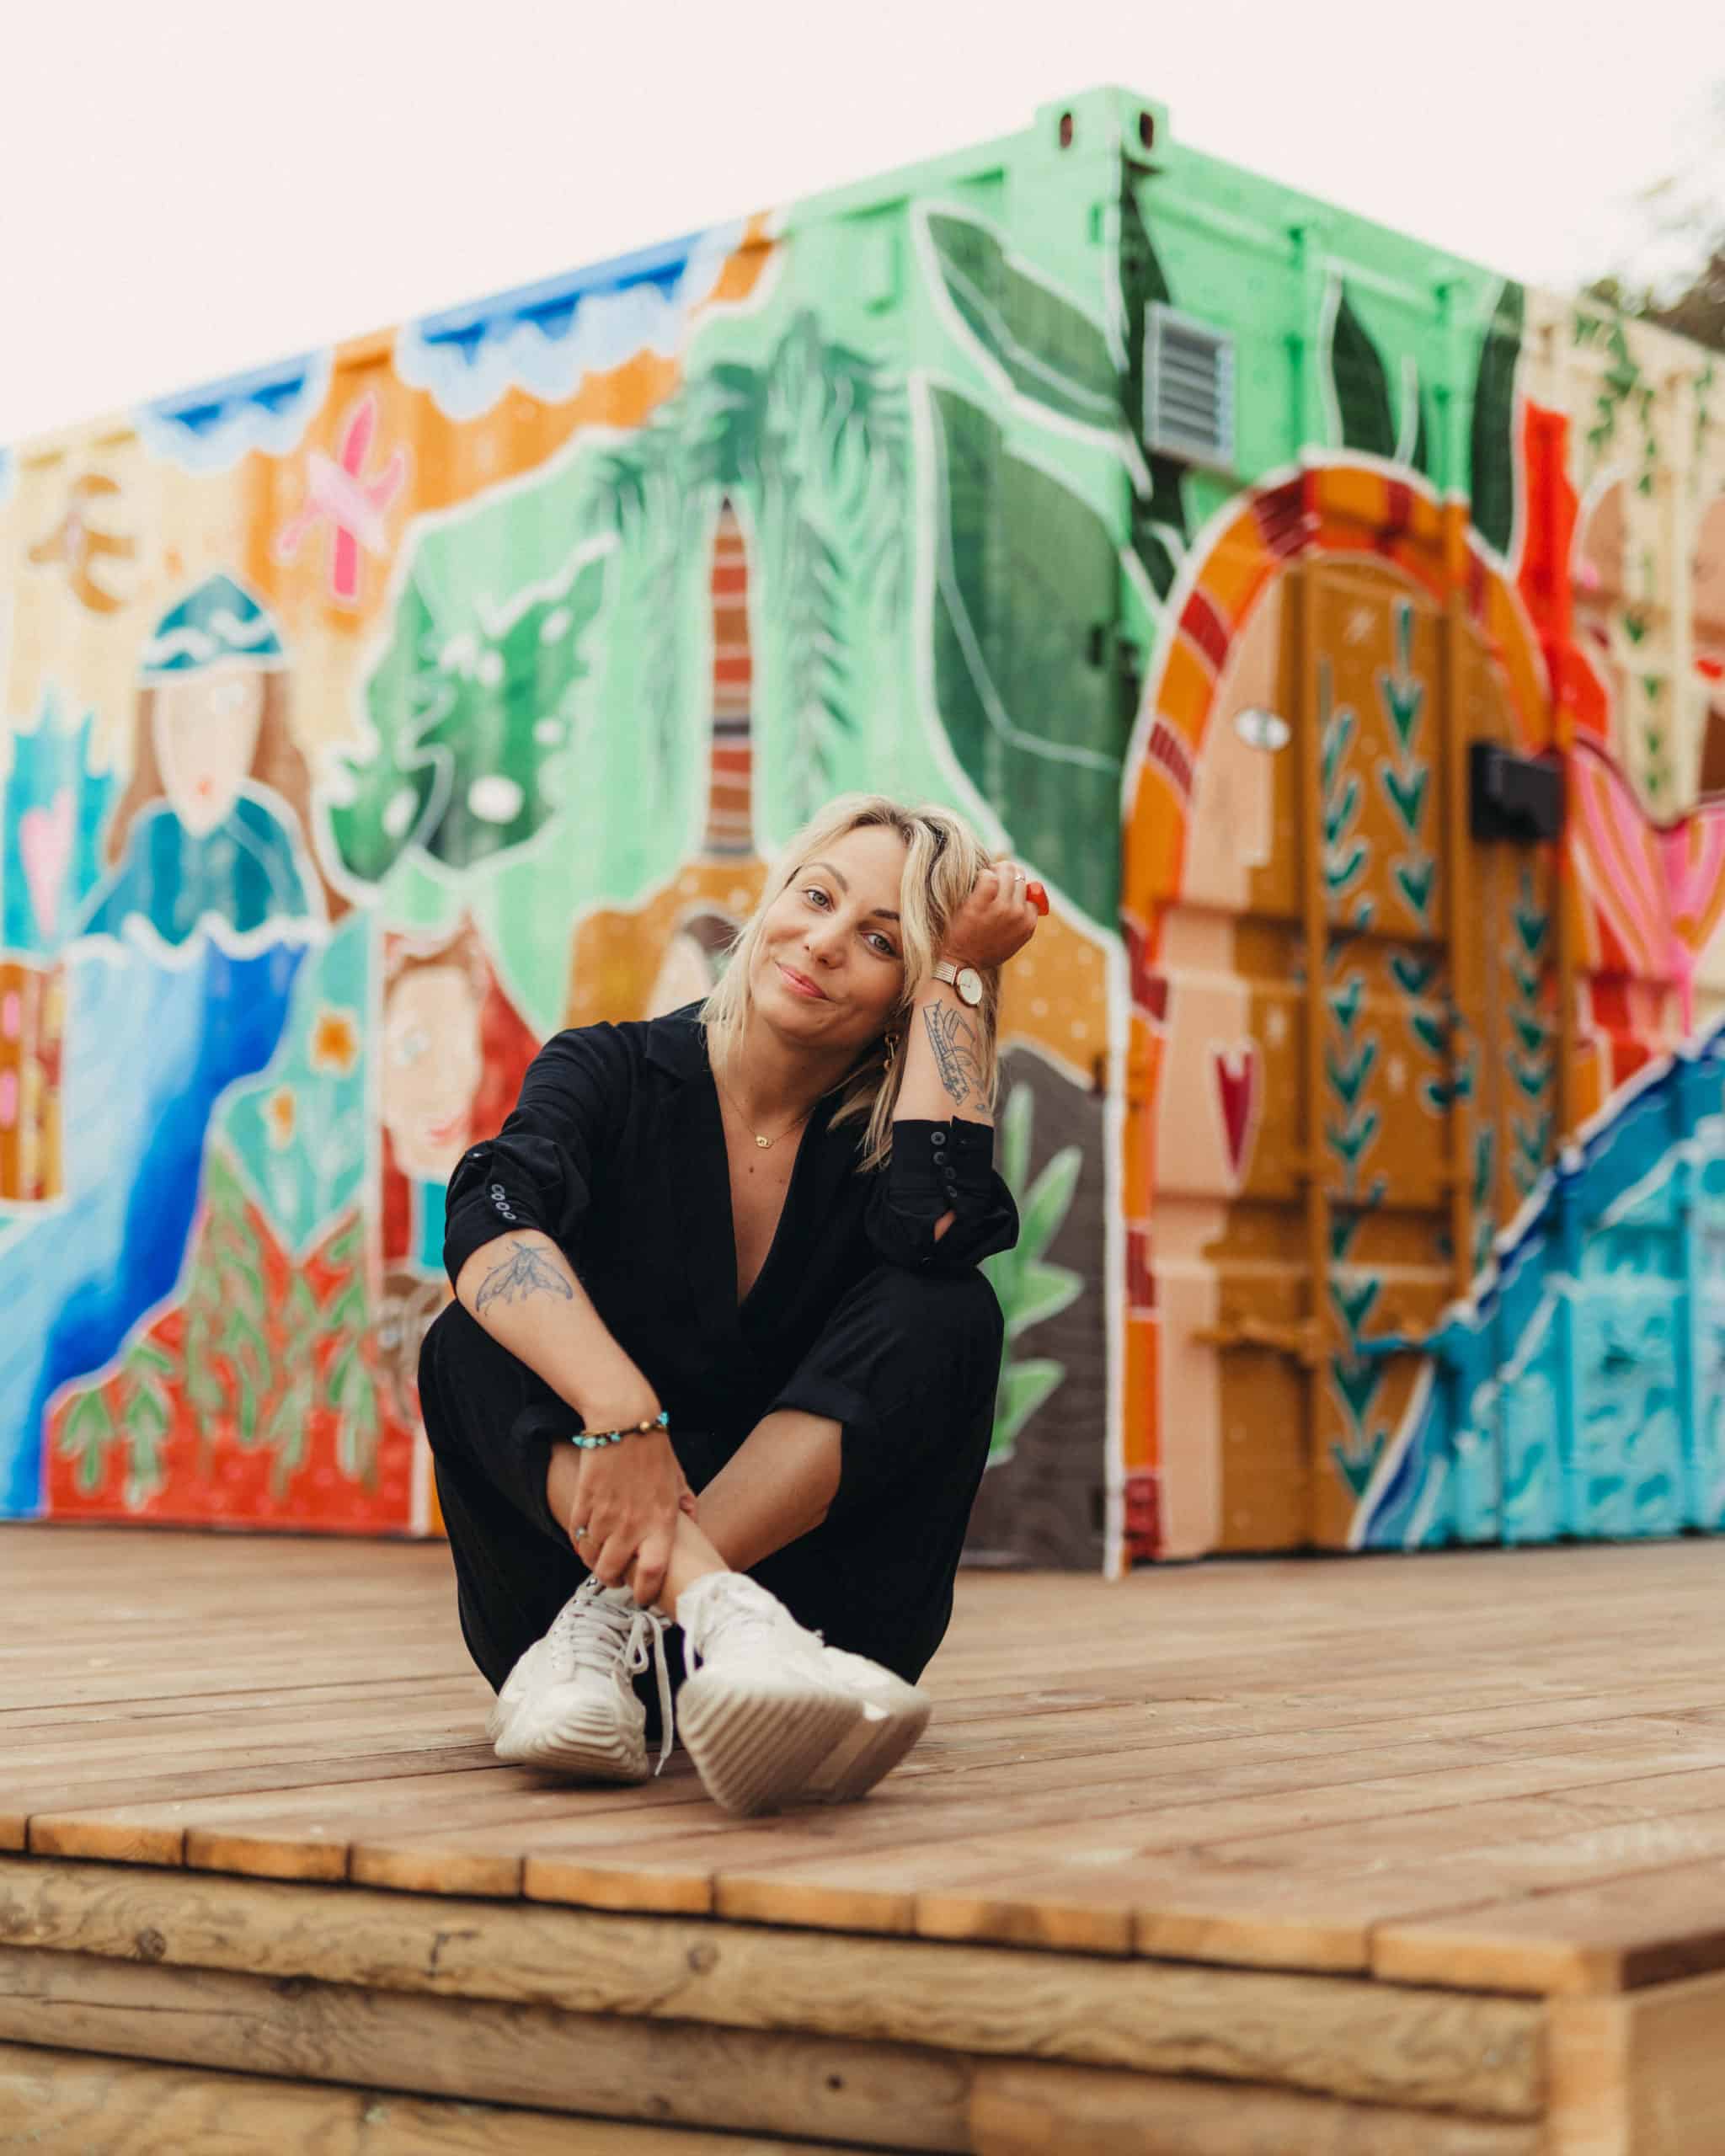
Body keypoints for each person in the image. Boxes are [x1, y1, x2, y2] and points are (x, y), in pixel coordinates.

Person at [419, 794, 1040, 1816]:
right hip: (562, 1626)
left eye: (881, 941)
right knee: (468, 1336)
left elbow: (938, 1225)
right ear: (772, 898)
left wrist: (961, 975)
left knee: (948, 1305)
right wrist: (621, 1409)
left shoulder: (879, 1151)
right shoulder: (609, 1071)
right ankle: (708, 1614)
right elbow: (489, 1213)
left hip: (819, 1621)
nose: (825, 942)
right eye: (816, 897)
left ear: (905, 992)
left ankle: (657, 1616)